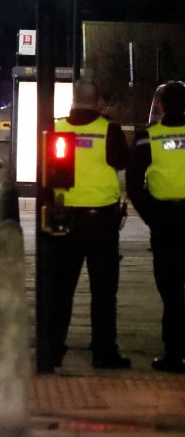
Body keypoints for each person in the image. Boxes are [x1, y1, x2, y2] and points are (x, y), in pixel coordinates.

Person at [47, 78, 130, 369]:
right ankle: (103, 352)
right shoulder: (110, 130)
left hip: (64, 219)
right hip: (102, 221)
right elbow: (122, 163)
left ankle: (53, 349)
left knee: (61, 288)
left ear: (73, 100)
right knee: (104, 291)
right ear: (97, 102)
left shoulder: (57, 128)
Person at [128, 80, 185, 373]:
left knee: (171, 290)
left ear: (160, 105)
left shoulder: (148, 138)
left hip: (166, 220)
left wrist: (151, 214)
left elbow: (134, 183)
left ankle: (175, 353)